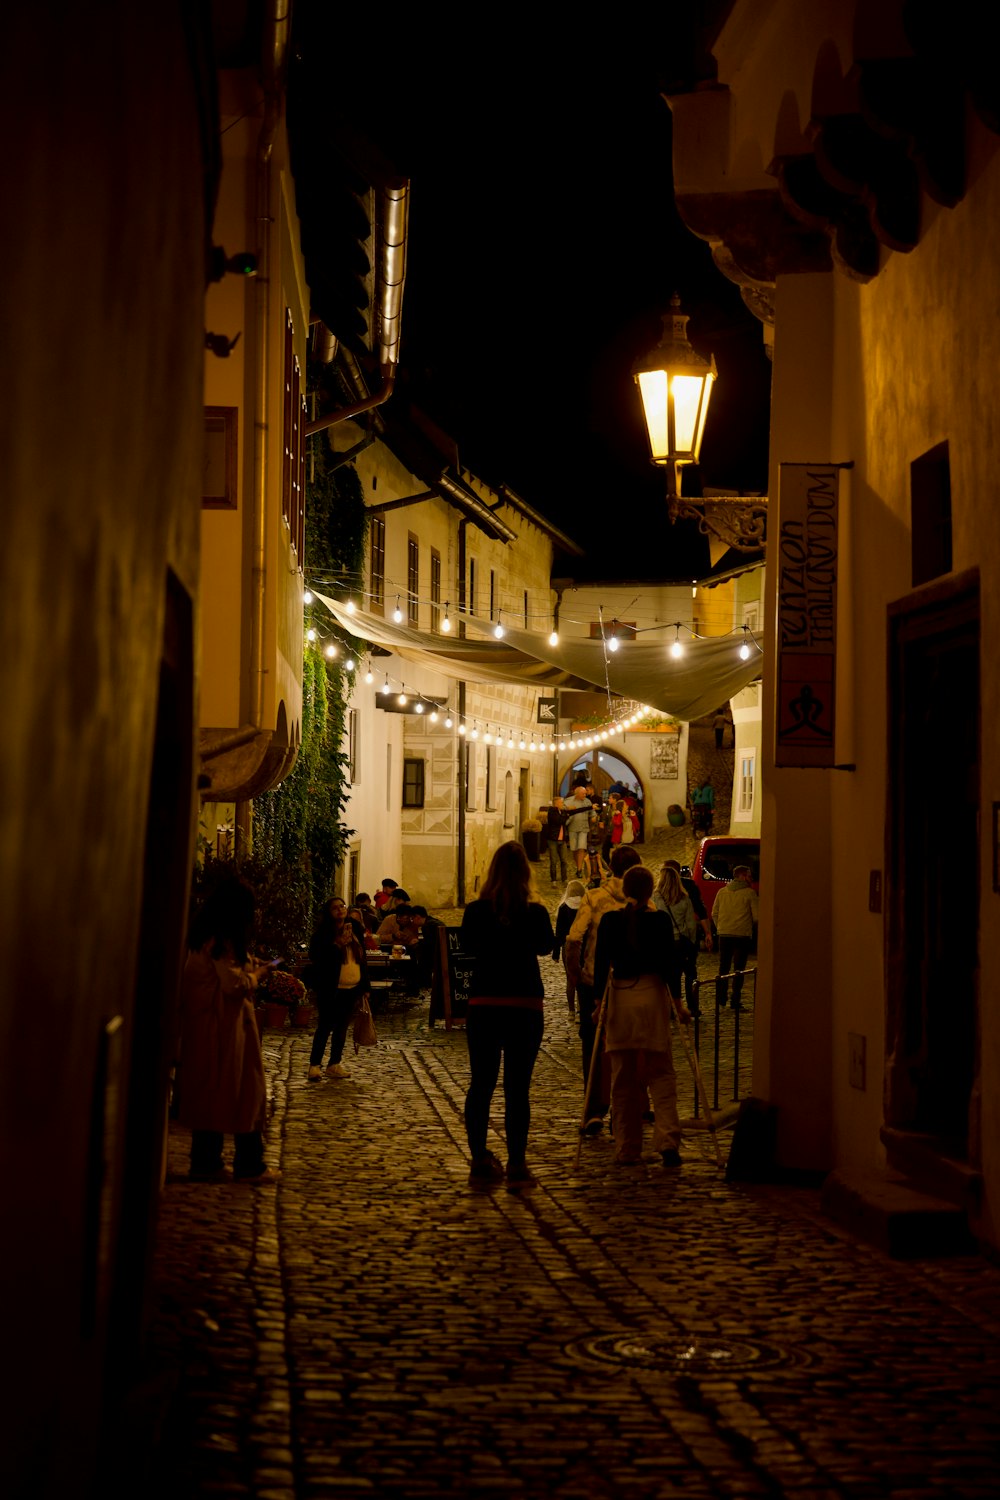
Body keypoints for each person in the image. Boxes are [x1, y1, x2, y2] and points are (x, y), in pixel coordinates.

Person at [460, 841, 555, 1189]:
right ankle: (517, 1162)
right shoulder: (536, 912)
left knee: (481, 1084)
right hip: (524, 1005)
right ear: (525, 873)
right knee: (518, 1088)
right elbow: (546, 946)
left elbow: (468, 945)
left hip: (484, 1003)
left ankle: (479, 1158)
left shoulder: (475, 911)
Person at [177, 873, 277, 1183]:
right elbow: (232, 984)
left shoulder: (204, 935)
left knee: (213, 1095)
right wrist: (258, 974)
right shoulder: (222, 940)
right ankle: (250, 1165)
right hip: (223, 1029)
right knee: (243, 1093)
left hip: (208, 1027)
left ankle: (206, 1162)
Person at [594, 864, 690, 1167]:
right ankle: (667, 1139)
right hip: (651, 997)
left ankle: (627, 1147)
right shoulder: (660, 922)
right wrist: (679, 1004)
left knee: (622, 1080)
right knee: (660, 1074)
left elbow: (600, 966)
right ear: (650, 891)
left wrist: (598, 1005)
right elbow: (670, 966)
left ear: (625, 891)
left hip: (621, 999)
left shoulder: (610, 921)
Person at [564, 844, 642, 1135]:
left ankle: (594, 1110)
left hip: (594, 980)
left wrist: (575, 973)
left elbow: (573, 939)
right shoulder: (644, 901)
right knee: (630, 1045)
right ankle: (626, 1110)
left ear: (610, 867)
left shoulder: (594, 897)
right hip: (633, 981)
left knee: (593, 1045)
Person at [306, 896, 371, 1080]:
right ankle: (314, 1065)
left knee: (342, 1027)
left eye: (342, 906)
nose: (340, 910)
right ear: (329, 912)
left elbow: (362, 958)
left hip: (352, 986)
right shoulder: (323, 934)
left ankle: (334, 1063)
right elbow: (317, 957)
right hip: (331, 987)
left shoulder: (354, 928)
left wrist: (365, 985)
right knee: (325, 1026)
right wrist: (337, 945)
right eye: (335, 907)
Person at [653, 863, 700, 1014]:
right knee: (688, 974)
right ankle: (691, 1006)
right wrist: (691, 942)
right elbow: (691, 924)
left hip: (662, 944)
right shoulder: (684, 898)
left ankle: (670, 1009)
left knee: (669, 977)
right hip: (680, 942)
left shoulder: (655, 898)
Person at [713, 864, 759, 1011]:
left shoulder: (722, 892)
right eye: (749, 875)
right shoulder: (749, 893)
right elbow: (757, 916)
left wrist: (721, 926)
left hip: (724, 934)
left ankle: (720, 998)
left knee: (723, 967)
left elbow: (714, 913)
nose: (751, 878)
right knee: (739, 969)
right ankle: (735, 1000)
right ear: (742, 876)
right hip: (742, 935)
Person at [662, 858, 713, 954]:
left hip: (665, 937)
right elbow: (700, 910)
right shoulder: (689, 886)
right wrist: (707, 933)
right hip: (683, 936)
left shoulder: (658, 891)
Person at [552, 878, 587, 1013]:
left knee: (570, 979)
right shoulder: (586, 906)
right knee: (583, 979)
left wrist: (556, 954)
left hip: (568, 947)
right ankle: (581, 1008)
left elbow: (559, 932)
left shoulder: (564, 907)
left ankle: (571, 1011)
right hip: (583, 945)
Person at [563, 785, 594, 876]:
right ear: (577, 794)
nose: (585, 795)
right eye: (583, 794)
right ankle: (578, 866)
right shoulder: (568, 801)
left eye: (585, 793)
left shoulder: (587, 801)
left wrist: (594, 817)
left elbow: (592, 812)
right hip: (572, 828)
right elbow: (562, 810)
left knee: (581, 847)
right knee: (574, 849)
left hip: (583, 828)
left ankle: (580, 869)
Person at [544, 796, 570, 885]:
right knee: (553, 860)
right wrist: (566, 816)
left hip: (562, 840)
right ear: (556, 804)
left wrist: (590, 807)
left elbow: (573, 812)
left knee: (564, 860)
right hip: (553, 840)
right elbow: (559, 821)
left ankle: (564, 878)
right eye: (561, 802)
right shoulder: (551, 812)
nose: (563, 804)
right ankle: (553, 880)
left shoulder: (562, 812)